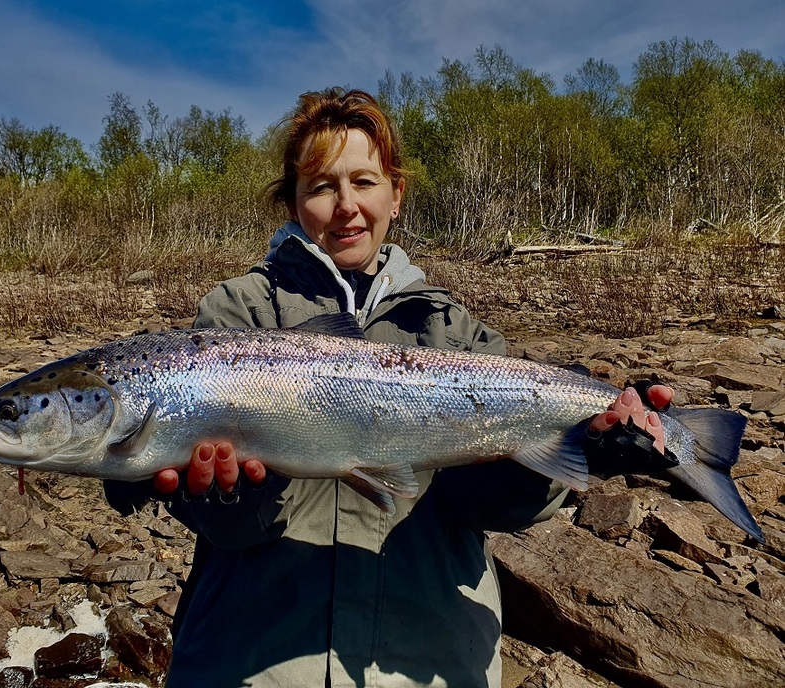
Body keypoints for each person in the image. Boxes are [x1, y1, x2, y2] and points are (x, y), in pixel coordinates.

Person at [106, 87, 672, 687]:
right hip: (252, 663)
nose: (346, 205)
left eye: (364, 182)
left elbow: (490, 508)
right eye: (322, 186)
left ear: (395, 196)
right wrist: (217, 493)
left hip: (426, 666)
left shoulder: (452, 330)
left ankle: (689, 444)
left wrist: (573, 454)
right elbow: (233, 528)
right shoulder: (238, 315)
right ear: (293, 204)